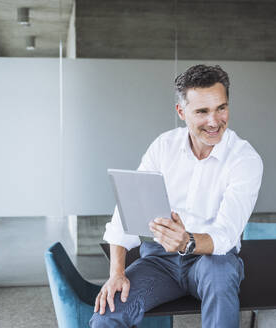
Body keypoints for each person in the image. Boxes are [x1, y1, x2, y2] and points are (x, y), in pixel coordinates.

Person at [89, 64, 263, 328]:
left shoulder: (244, 159)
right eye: (202, 111)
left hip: (213, 260)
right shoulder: (163, 146)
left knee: (221, 275)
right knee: (108, 313)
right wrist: (116, 273)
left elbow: (227, 234)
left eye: (221, 108)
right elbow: (126, 212)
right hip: (160, 260)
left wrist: (187, 242)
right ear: (182, 112)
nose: (214, 121)